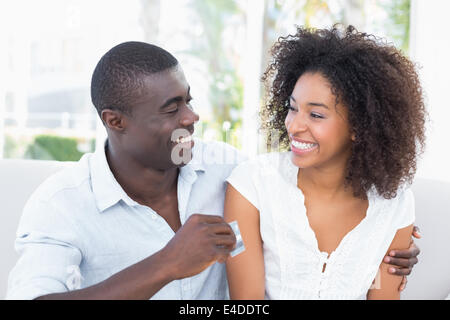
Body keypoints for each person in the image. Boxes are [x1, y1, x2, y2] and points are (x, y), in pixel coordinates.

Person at [7, 40, 419, 300]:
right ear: (115, 121)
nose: (192, 116)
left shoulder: (232, 172)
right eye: (172, 109)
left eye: (188, 100)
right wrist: (167, 263)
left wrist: (383, 248)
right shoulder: (61, 203)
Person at [224, 25, 425, 300]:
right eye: (292, 108)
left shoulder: (395, 203)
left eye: (316, 115)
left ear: (360, 126)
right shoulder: (252, 184)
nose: (293, 126)